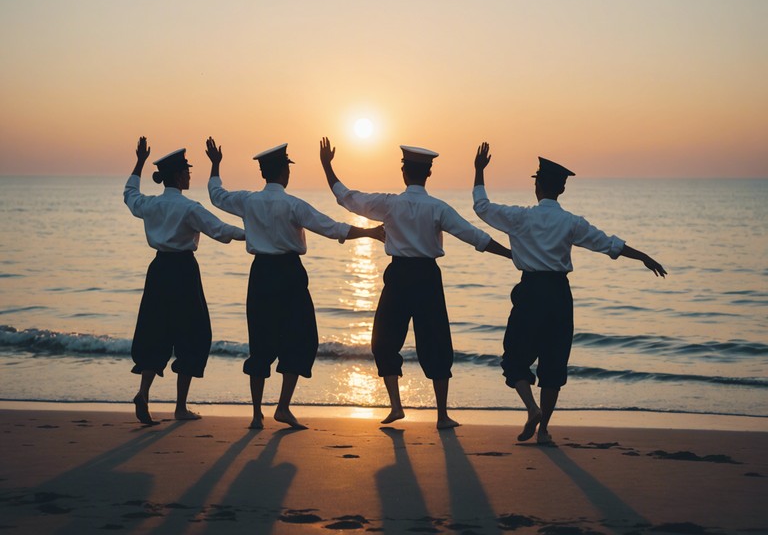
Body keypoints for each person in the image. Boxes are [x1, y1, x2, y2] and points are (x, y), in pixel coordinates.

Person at [472, 142, 667, 445]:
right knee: (554, 359)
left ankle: (532, 409)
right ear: (561, 190)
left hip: (531, 290)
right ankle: (545, 429)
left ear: (538, 187)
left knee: (514, 357)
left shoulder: (520, 217)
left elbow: (482, 207)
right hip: (559, 294)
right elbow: (608, 244)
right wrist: (642, 256)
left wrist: (479, 172)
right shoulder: (571, 222)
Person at [320, 137, 512, 430]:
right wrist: (510, 253)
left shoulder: (389, 204)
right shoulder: (438, 208)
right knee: (436, 342)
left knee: (384, 341)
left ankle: (397, 406)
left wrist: (327, 166)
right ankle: (442, 415)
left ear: (403, 172)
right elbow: (474, 236)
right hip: (427, 277)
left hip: (399, 277)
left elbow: (348, 198)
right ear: (429, 173)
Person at [206, 137, 384, 430]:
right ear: (284, 173)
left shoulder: (248, 201)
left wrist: (215, 164)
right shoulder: (293, 204)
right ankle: (283, 407)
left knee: (260, 340)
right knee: (301, 339)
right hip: (289, 273)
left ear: (264, 173)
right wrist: (369, 232)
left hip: (260, 273)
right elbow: (331, 228)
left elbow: (216, 195)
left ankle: (255, 414)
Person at [124, 137, 246, 425]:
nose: (190, 176)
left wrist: (140, 161)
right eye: (188, 172)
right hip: (183, 271)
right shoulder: (189, 208)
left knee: (155, 331)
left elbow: (129, 193)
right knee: (193, 333)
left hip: (158, 270)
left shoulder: (149, 204)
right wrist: (254, 234)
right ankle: (180, 406)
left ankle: (144, 392)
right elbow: (220, 230)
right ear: (179, 176)